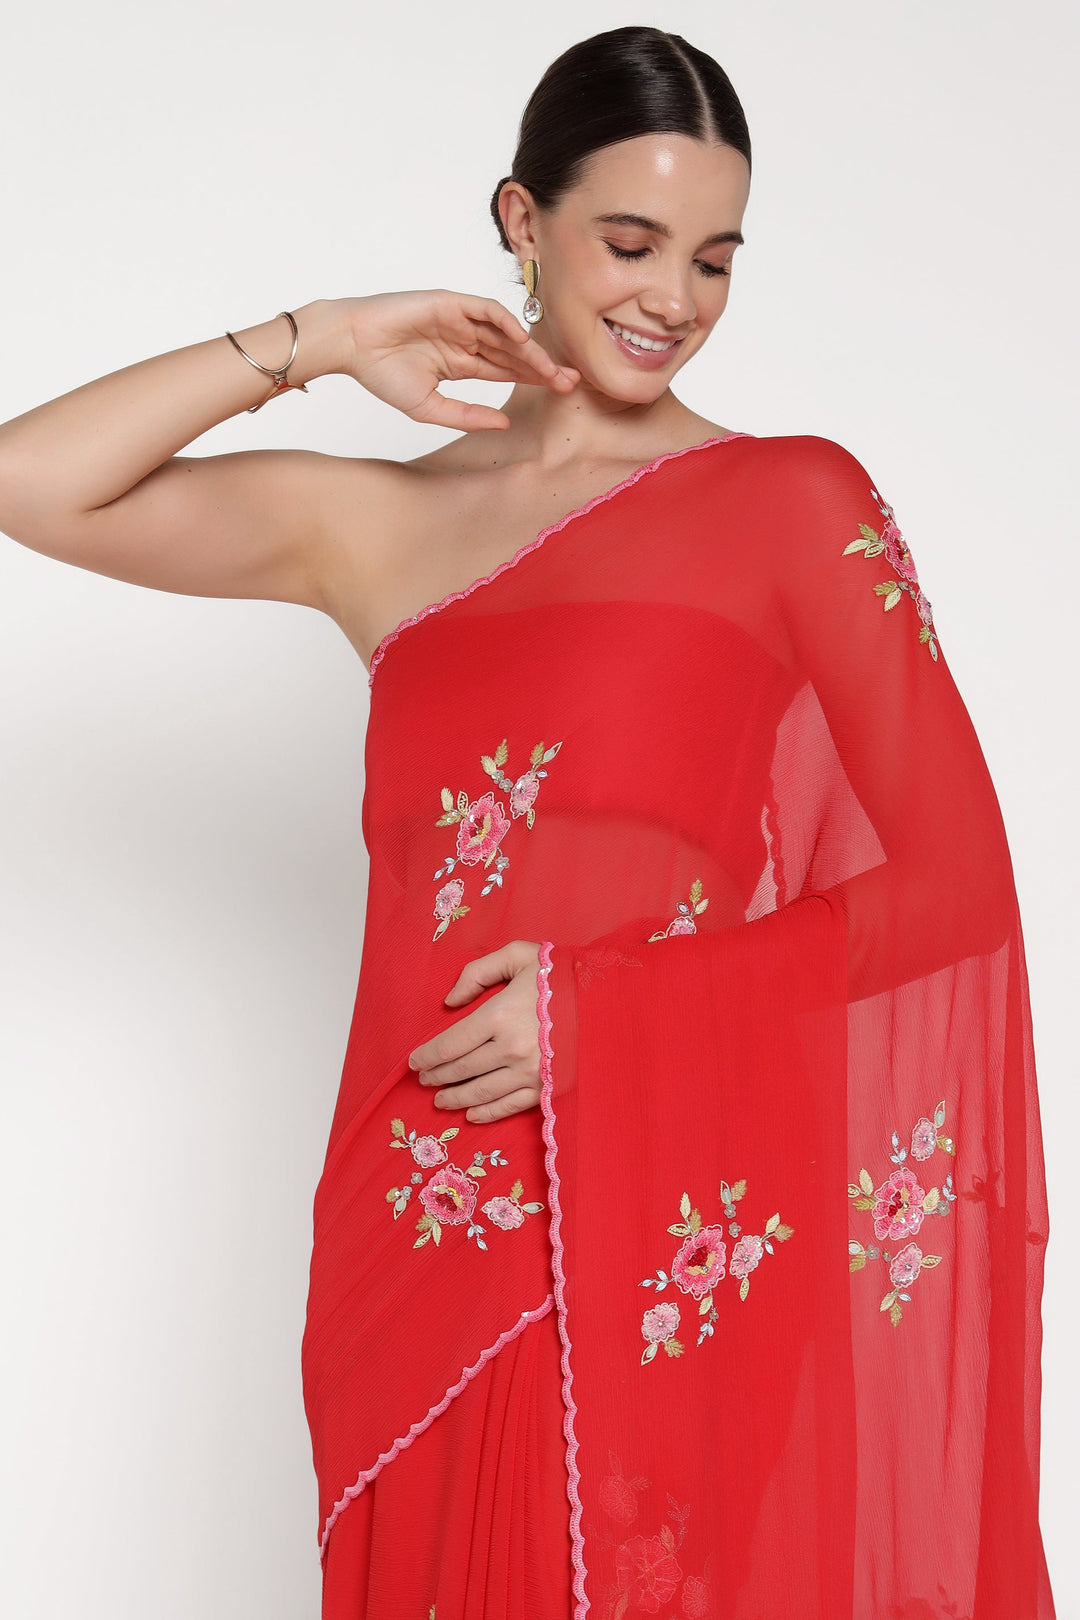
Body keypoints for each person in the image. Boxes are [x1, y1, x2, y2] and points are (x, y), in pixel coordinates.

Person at [0, 23, 1057, 1620]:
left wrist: (606, 1018)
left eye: (715, 258)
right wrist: (329, 334)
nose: (674, 299)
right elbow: (34, 481)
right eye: (630, 242)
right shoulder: (383, 523)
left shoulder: (790, 502)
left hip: (667, 1236)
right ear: (520, 222)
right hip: (413, 1223)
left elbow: (958, 889)